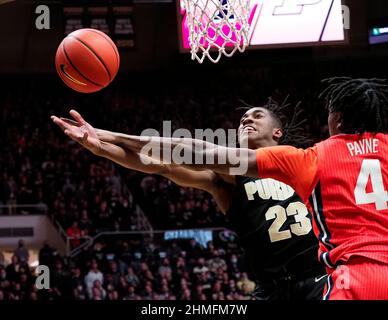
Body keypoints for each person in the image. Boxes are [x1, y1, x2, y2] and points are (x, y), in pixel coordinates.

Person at [52, 98, 326, 300]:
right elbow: (163, 164)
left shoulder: (301, 163)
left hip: (319, 279)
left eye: (256, 116)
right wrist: (102, 148)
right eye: (243, 119)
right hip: (271, 289)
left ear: (277, 132)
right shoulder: (227, 178)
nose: (246, 120)